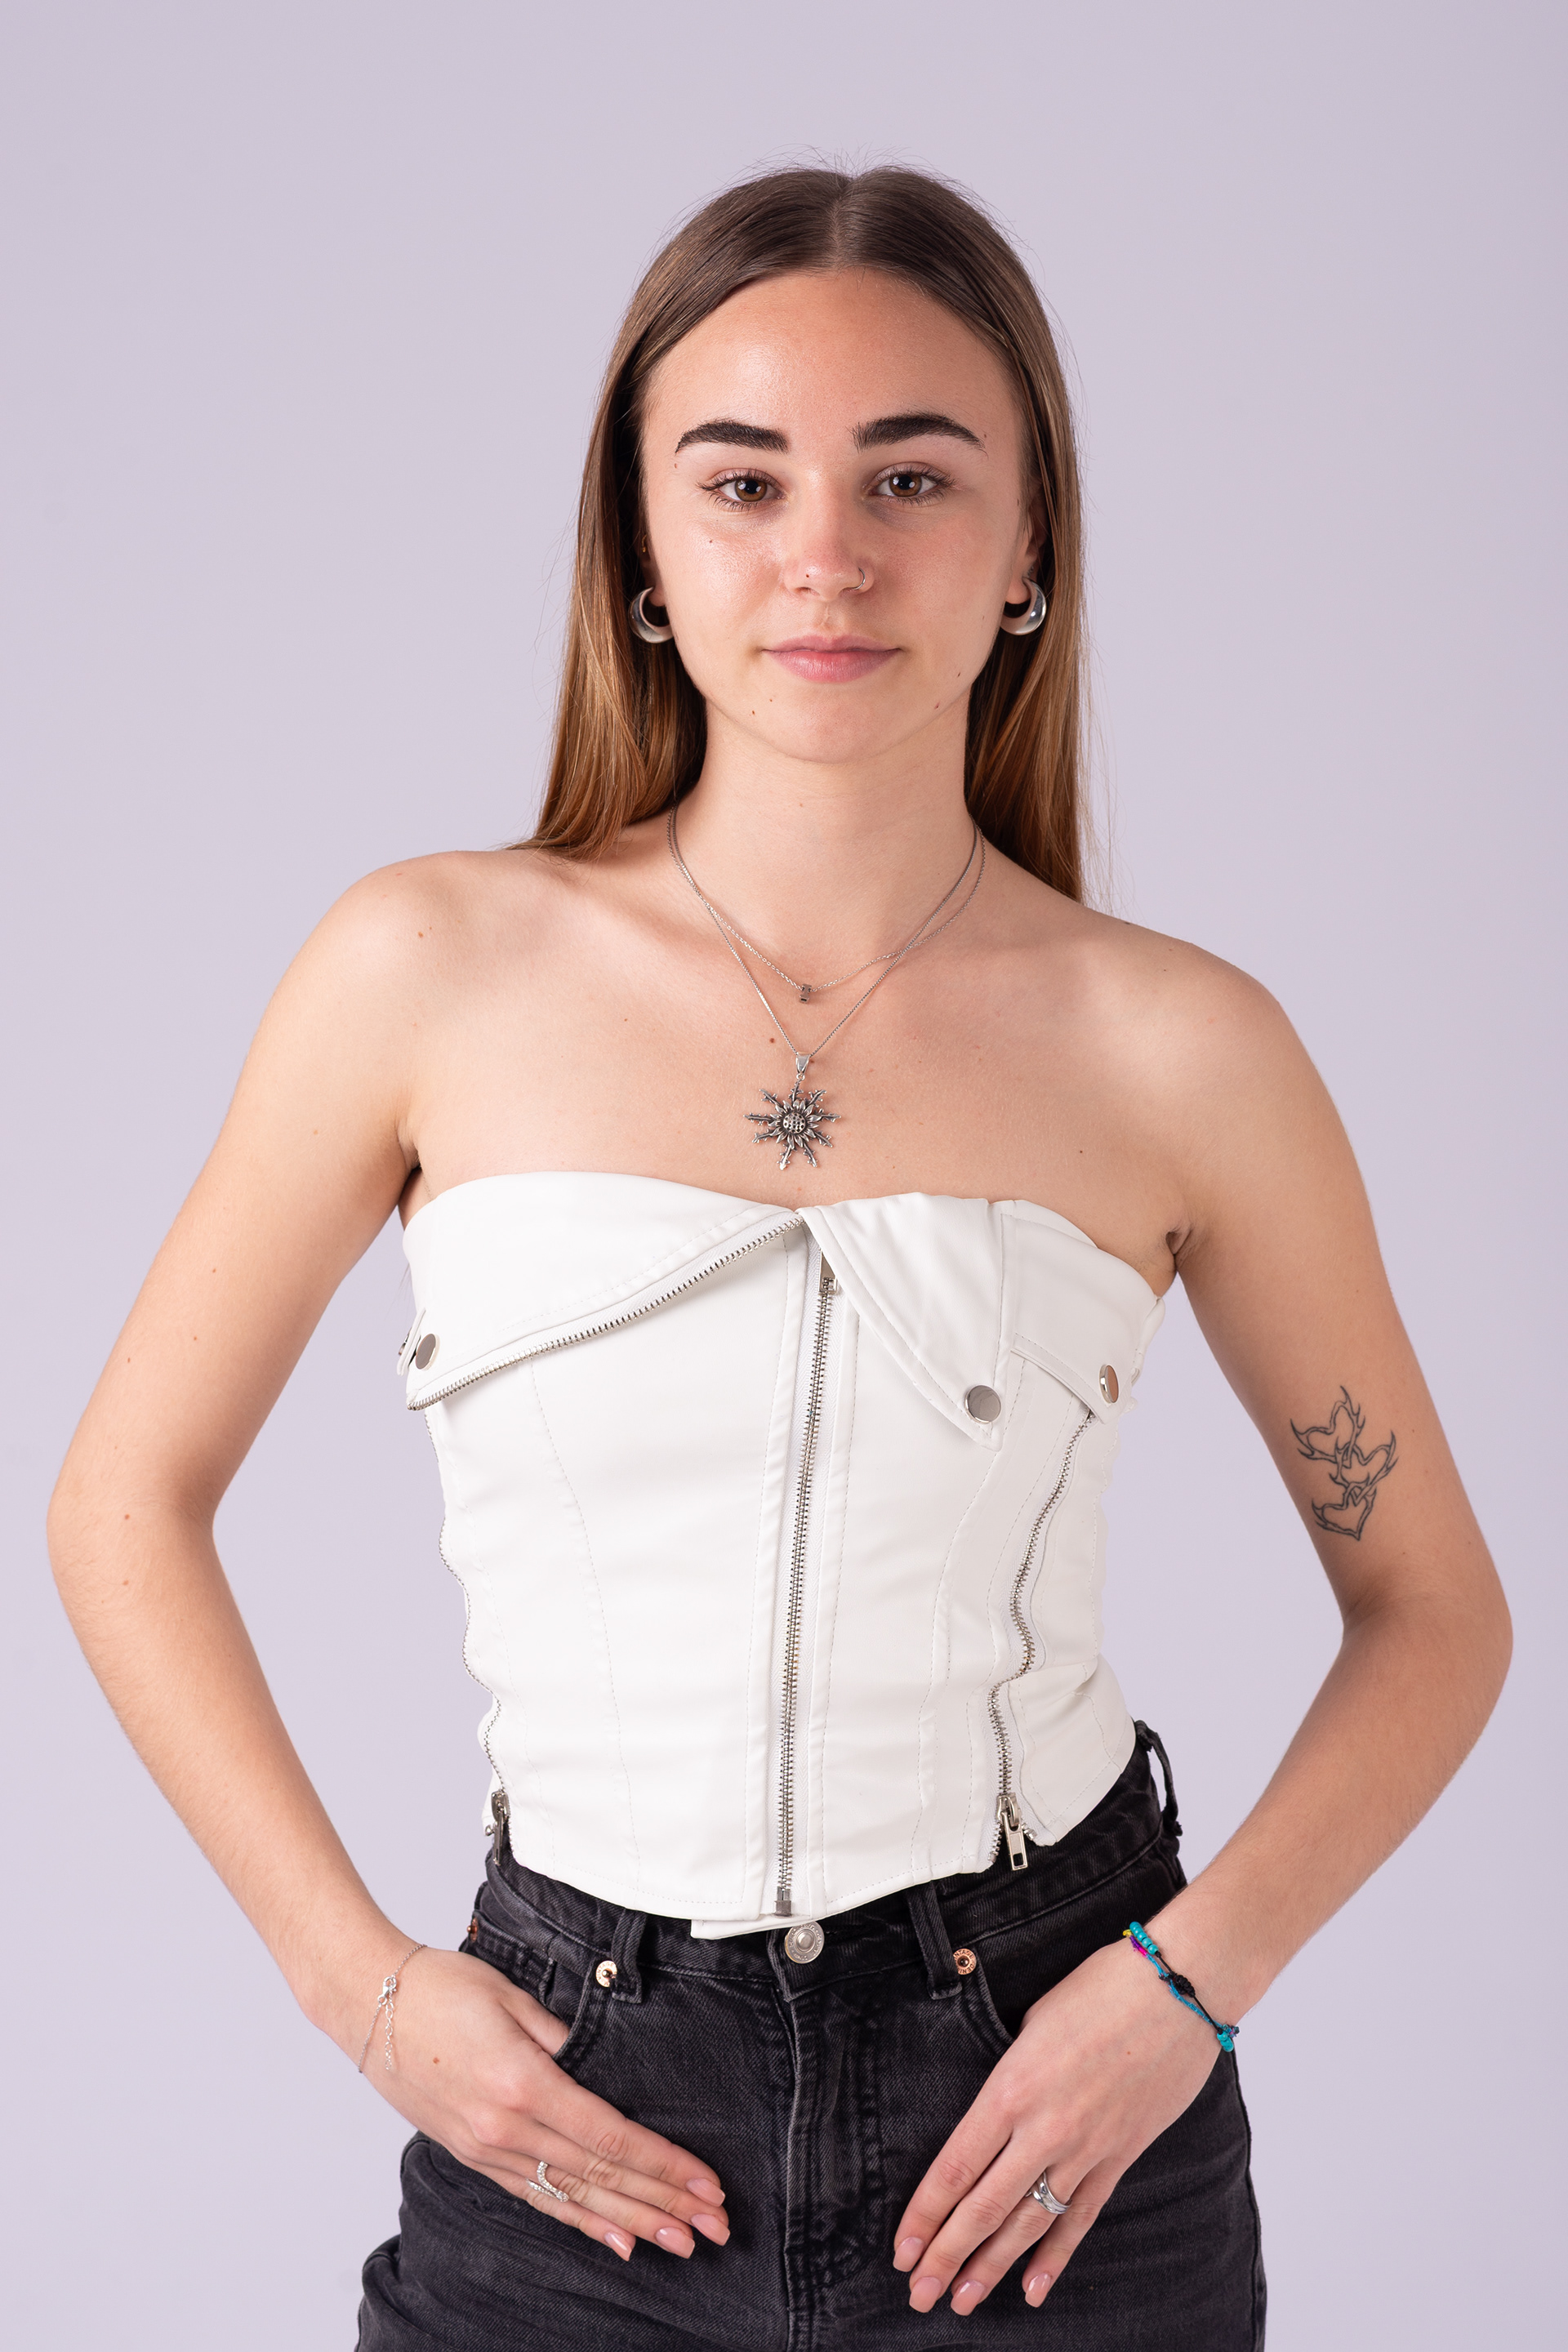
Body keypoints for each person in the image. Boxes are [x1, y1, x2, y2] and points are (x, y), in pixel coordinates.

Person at [49, 165, 1508, 2350]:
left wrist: (1184, 1991)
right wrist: (358, 1989)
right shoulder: (423, 968)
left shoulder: (1184, 1047)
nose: (827, 553)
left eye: (912, 476)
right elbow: (120, 1504)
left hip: (1049, 2127)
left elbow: (1436, 1613)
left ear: (1027, 549)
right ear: (640, 552)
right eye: (742, 482)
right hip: (572, 2103)